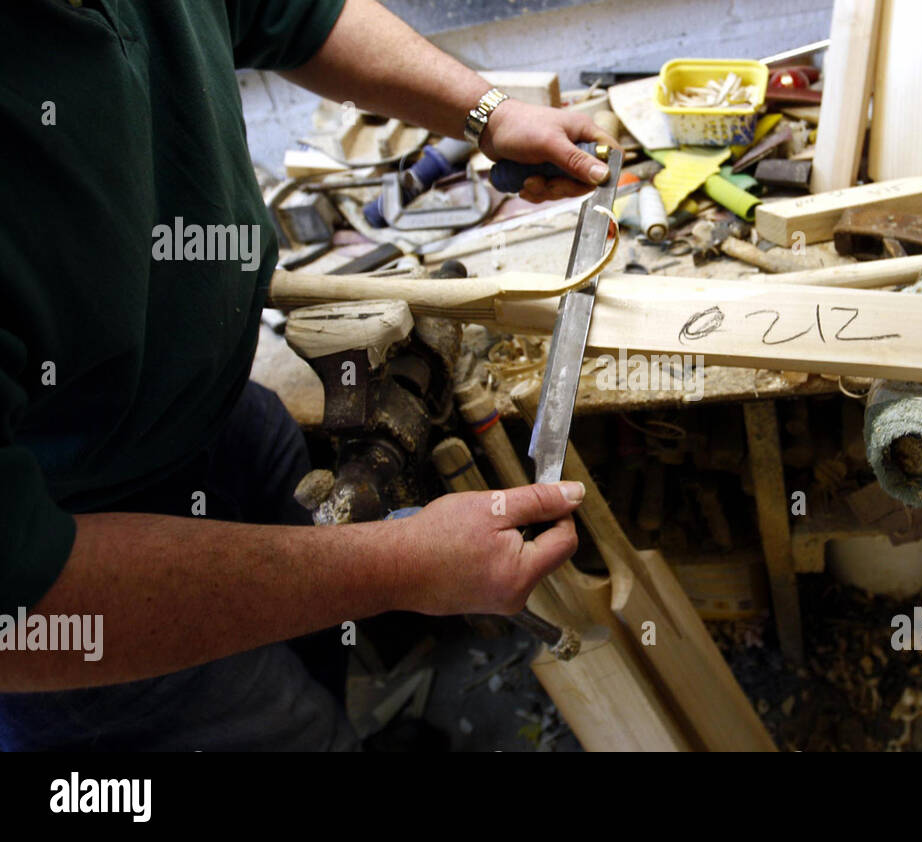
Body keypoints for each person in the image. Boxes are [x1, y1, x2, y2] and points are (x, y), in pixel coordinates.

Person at [0, 0, 616, 750]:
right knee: (281, 728)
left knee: (320, 640)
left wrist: (485, 112)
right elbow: (18, 604)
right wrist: (394, 569)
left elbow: (294, 13)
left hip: (219, 415)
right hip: (80, 564)